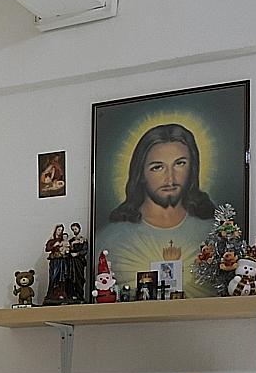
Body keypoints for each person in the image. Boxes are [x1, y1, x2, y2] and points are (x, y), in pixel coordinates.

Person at [94, 122, 219, 298]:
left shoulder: (213, 231)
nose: (170, 178)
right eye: (157, 167)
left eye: (180, 164)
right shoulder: (110, 237)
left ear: (193, 168)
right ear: (141, 174)